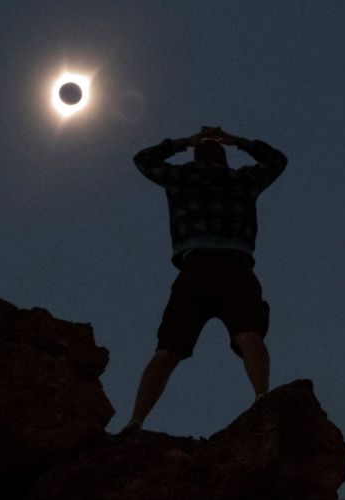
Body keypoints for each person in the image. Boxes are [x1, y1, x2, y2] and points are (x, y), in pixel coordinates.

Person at [122, 126, 287, 434]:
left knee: (168, 349)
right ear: (223, 158)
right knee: (249, 334)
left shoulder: (182, 178)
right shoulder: (242, 180)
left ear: (197, 156)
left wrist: (184, 142)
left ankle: (136, 420)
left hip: (194, 268)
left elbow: (143, 159)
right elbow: (277, 160)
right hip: (236, 267)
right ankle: (262, 396)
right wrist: (239, 140)